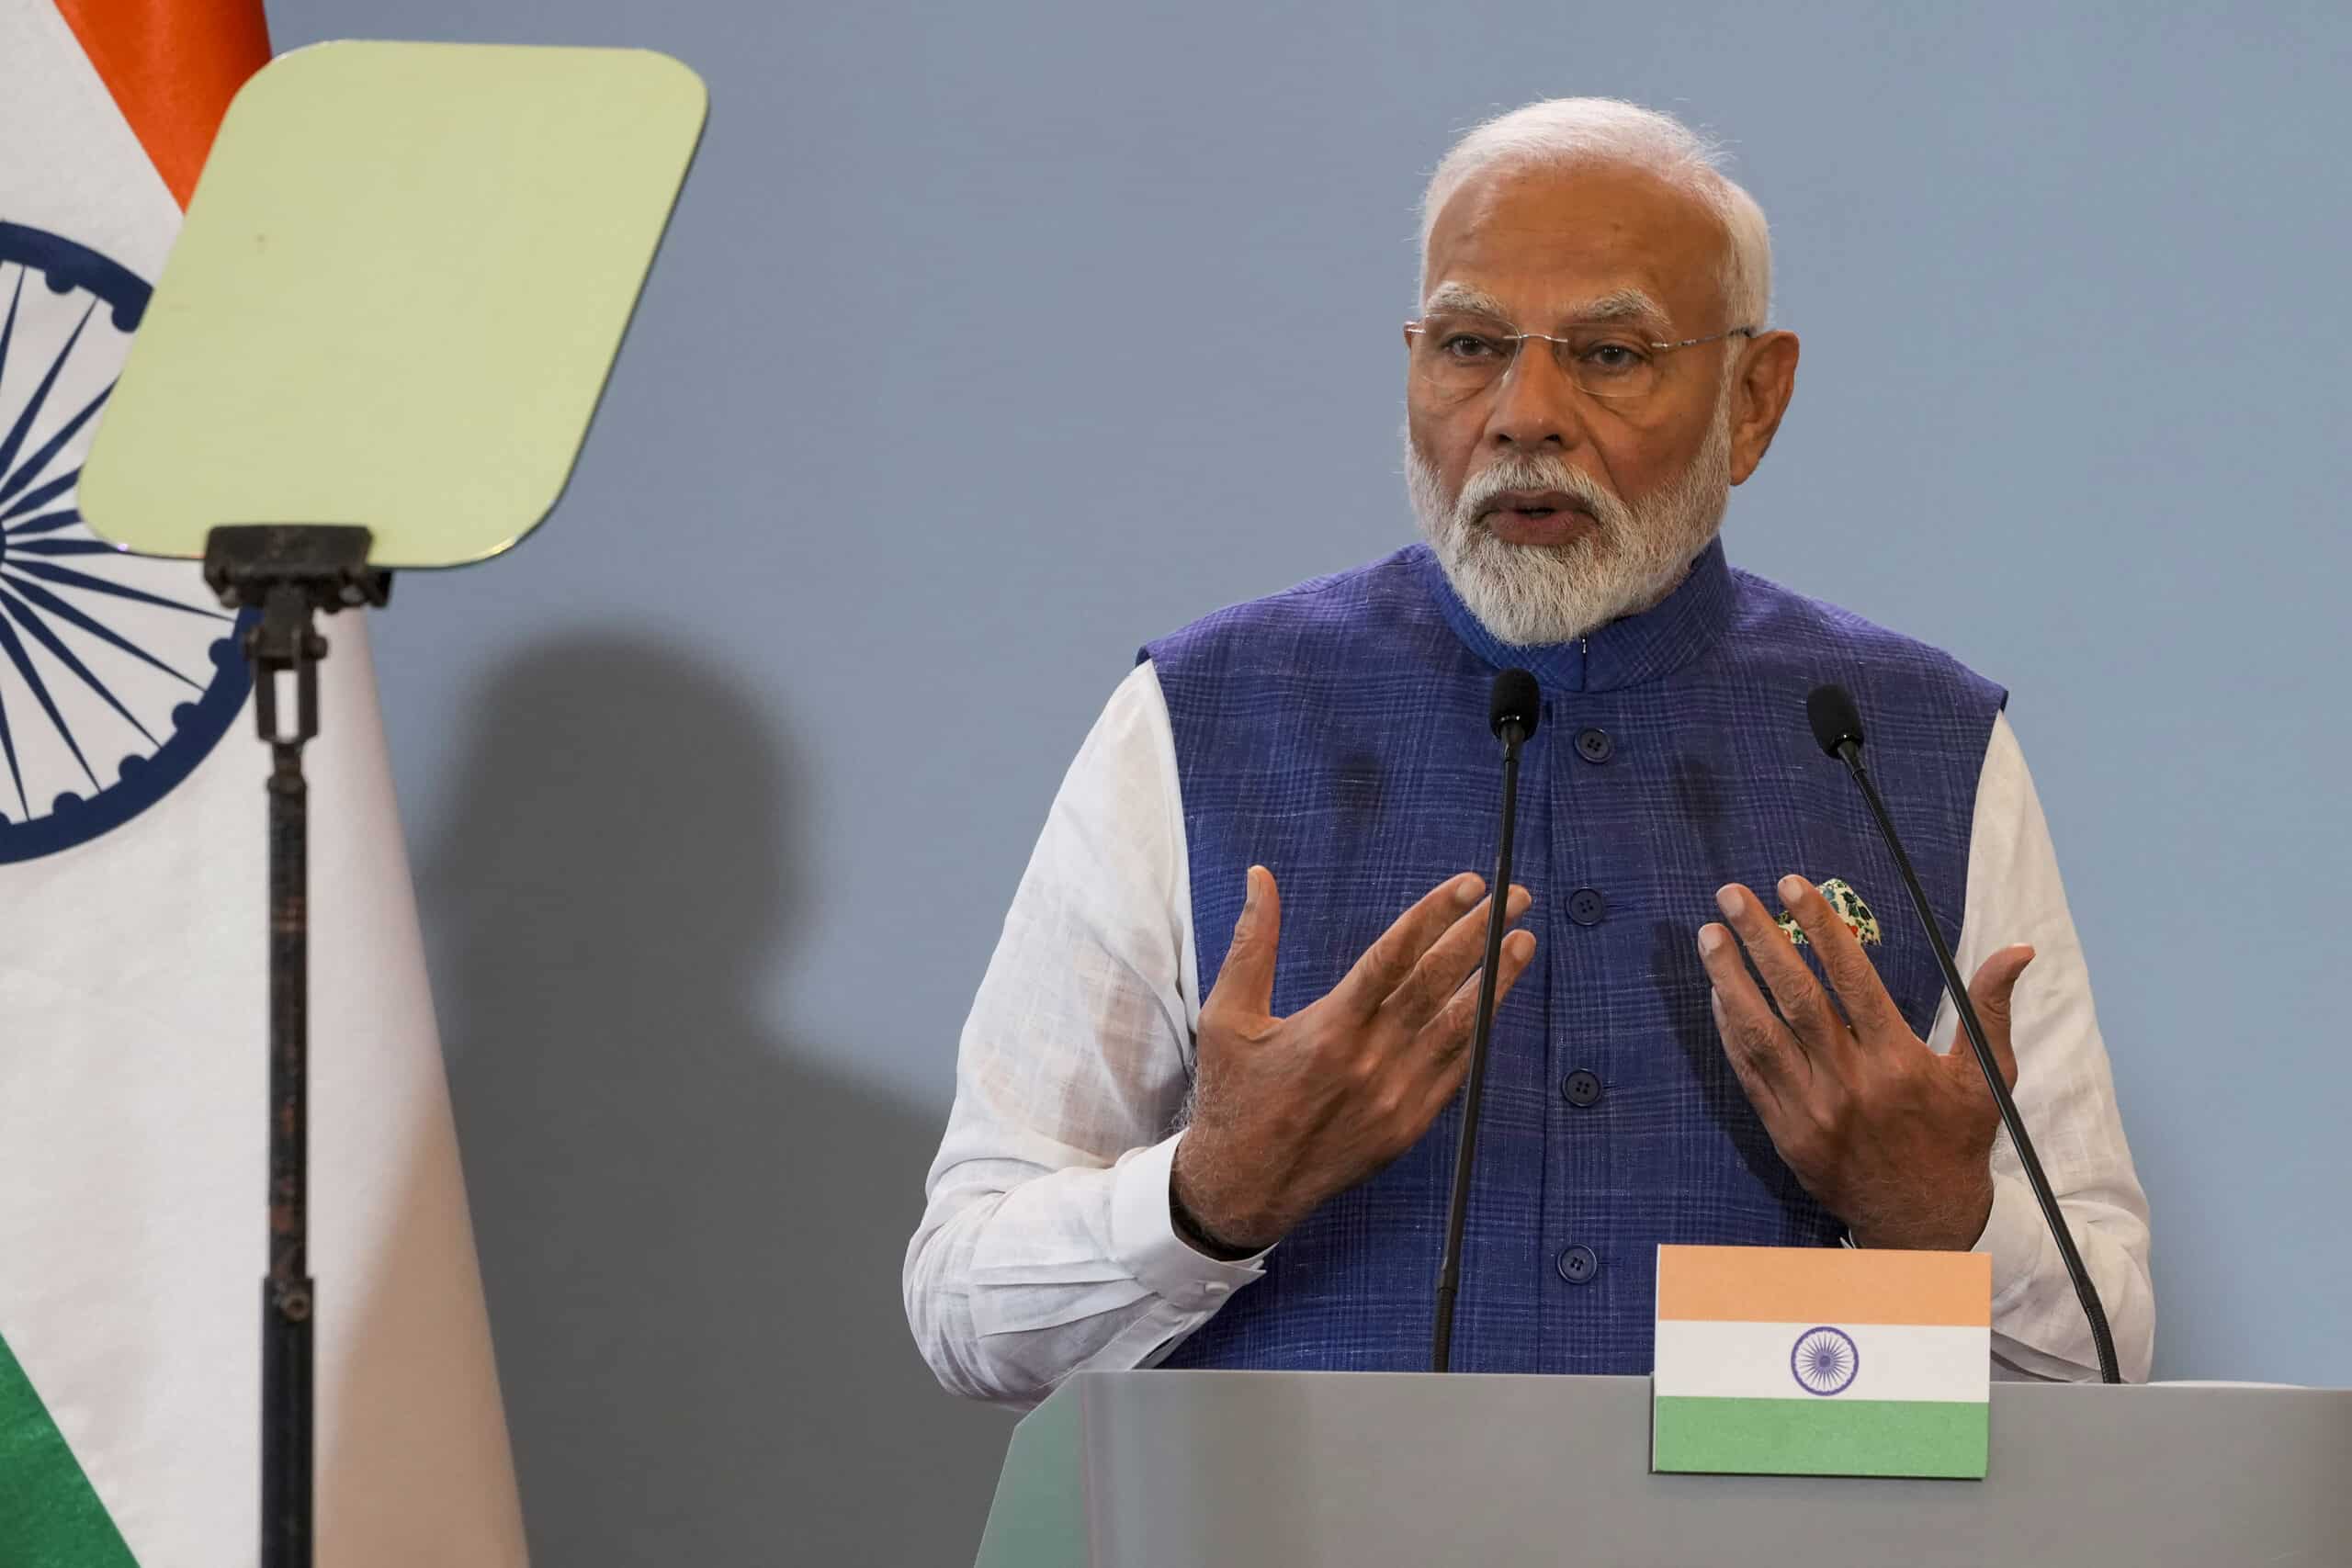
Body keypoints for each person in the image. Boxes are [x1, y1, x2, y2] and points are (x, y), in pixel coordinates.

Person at [903, 97, 2152, 1408]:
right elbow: (963, 1305)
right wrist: (1206, 1197)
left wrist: (1938, 1224)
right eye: (1469, 345)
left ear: (1754, 399)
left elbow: (2104, 1345)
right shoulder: (1203, 714)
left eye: (1609, 355)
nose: (1522, 414)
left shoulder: (1912, 746)